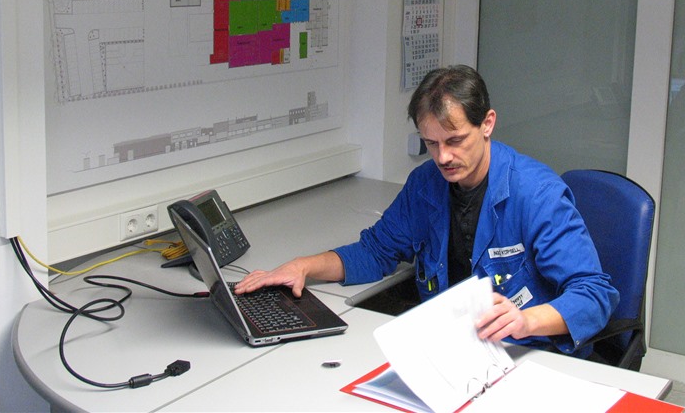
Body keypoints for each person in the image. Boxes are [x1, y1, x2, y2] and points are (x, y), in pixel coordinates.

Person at [235, 65, 618, 356]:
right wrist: (303, 266)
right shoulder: (426, 184)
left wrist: (526, 320)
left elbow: (595, 294)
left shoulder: (537, 193)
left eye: (455, 140)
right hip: (451, 351)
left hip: (525, 352)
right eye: (431, 143)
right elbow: (375, 252)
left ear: (487, 124)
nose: (443, 157)